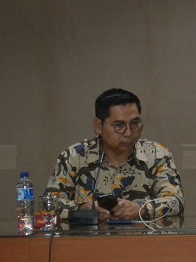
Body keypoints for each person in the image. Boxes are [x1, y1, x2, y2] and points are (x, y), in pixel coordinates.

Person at [46, 88, 184, 221]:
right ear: (98, 126)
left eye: (135, 123)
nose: (129, 133)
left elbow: (175, 201)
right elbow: (50, 204)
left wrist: (142, 209)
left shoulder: (157, 156)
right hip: (89, 236)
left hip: (141, 236)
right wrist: (84, 209)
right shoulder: (74, 157)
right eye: (119, 126)